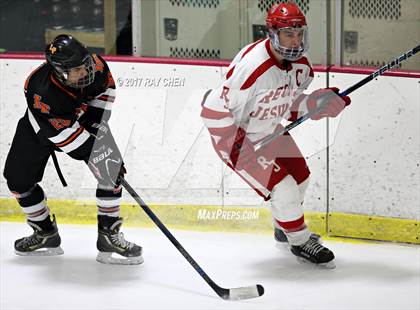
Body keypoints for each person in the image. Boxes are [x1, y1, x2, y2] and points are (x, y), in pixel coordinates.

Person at [200, 3, 351, 268]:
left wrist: (315, 103)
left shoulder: (301, 65)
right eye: (288, 34)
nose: (295, 41)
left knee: (301, 177)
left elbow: (288, 105)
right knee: (283, 187)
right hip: (236, 137)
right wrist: (239, 146)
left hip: (269, 129)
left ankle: (284, 228)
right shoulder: (252, 68)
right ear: (272, 32)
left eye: (299, 33)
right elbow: (213, 109)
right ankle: (300, 241)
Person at [3, 34, 143, 265]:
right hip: (40, 128)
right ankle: (45, 233)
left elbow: (105, 92)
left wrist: (95, 125)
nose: (85, 72)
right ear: (59, 71)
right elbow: (63, 135)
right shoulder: (40, 89)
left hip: (82, 119)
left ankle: (109, 236)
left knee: (111, 171)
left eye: (84, 65)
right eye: (76, 70)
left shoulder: (96, 66)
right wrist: (93, 152)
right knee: (18, 182)